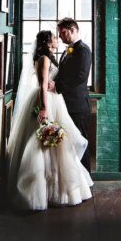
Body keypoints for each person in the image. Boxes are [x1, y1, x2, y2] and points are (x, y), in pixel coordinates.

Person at [5, 30, 93, 210]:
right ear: (46, 42)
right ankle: (41, 191)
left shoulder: (50, 57)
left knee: (56, 144)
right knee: (44, 143)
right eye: (54, 37)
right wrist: (44, 107)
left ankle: (55, 187)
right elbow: (42, 85)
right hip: (46, 101)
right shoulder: (44, 59)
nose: (57, 39)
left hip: (55, 100)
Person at [52, 18, 94, 171]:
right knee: (68, 143)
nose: (60, 36)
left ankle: (86, 180)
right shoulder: (69, 49)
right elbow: (64, 73)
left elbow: (81, 75)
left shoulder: (83, 49)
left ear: (72, 30)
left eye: (63, 33)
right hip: (66, 104)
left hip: (78, 106)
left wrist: (58, 86)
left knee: (80, 142)